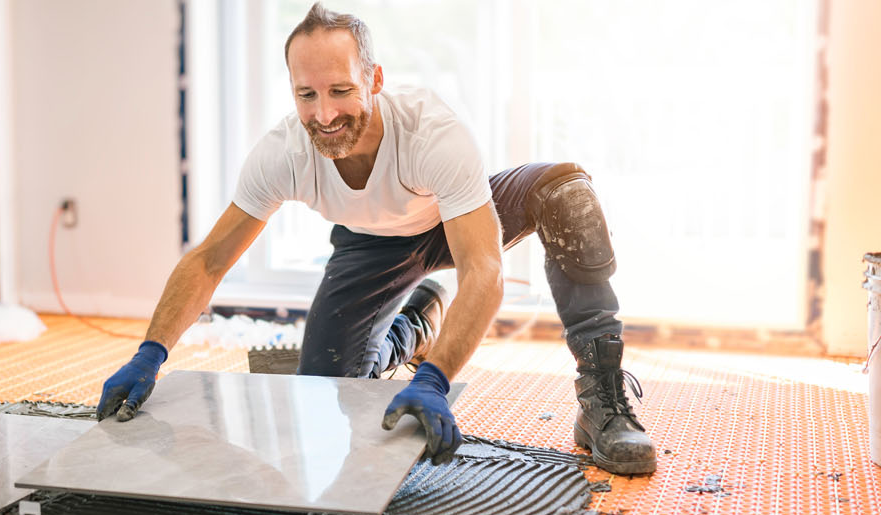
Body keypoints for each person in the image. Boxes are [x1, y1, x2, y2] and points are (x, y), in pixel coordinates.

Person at [96, 3, 655, 475]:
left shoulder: (432, 133)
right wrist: (151, 353)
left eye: (341, 90)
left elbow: (483, 270)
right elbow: (209, 262)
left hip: (455, 219)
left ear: (375, 80)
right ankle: (412, 328)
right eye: (306, 95)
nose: (325, 113)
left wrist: (437, 382)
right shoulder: (282, 154)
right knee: (327, 397)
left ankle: (601, 398)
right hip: (371, 247)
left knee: (567, 192)